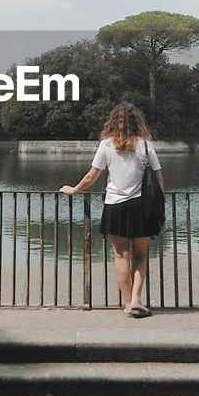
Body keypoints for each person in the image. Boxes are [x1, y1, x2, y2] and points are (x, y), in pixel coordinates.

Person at [60, 102, 164, 318]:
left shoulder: (107, 145)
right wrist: (157, 203)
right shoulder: (145, 145)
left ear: (112, 122)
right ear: (137, 122)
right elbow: (158, 178)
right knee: (141, 255)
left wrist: (74, 190)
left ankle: (128, 303)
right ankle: (136, 299)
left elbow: (91, 176)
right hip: (141, 206)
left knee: (121, 255)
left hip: (115, 205)